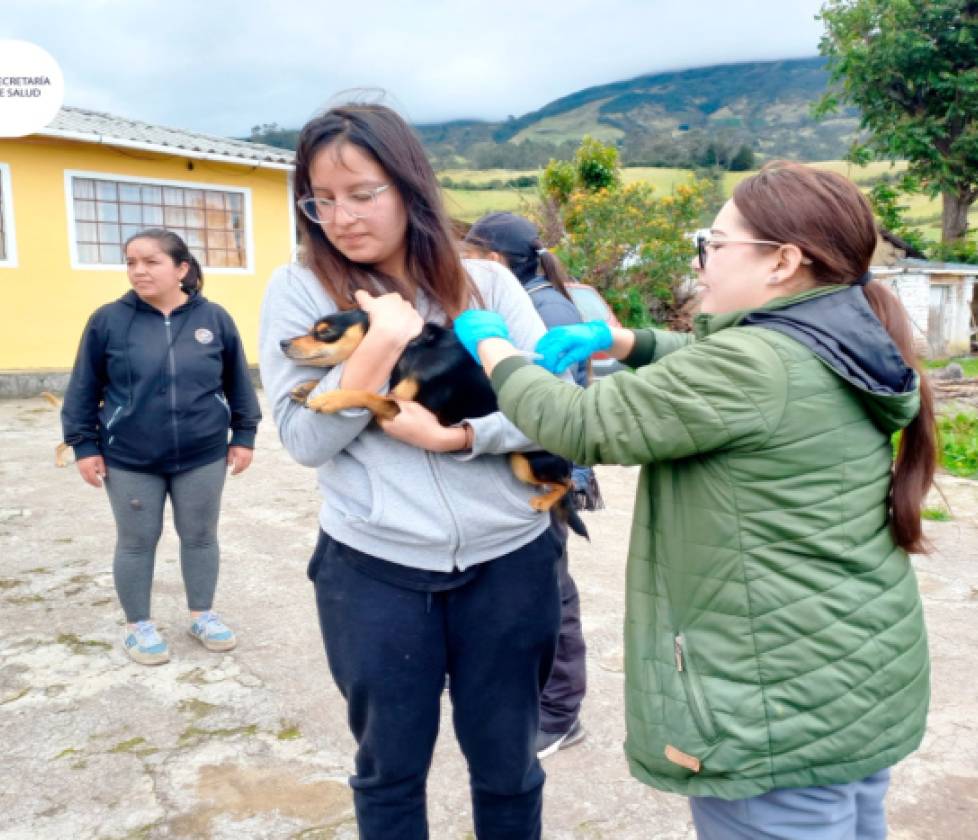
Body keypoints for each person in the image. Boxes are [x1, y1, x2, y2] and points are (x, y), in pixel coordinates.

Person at [453, 162, 936, 839]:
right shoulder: (841, 333)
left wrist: (497, 351)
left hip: (772, 704)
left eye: (714, 242)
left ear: (782, 262)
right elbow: (738, 372)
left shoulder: (756, 363)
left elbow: (582, 423)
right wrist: (629, 341)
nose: (703, 258)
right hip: (845, 679)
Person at [258, 103, 564, 840]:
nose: (342, 217)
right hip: (372, 569)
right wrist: (381, 342)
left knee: (508, 768)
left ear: (409, 188)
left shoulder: (488, 288)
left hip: (507, 564)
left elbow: (556, 409)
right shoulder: (298, 292)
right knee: (389, 772)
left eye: (362, 193)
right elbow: (302, 440)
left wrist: (462, 438)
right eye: (321, 199)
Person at [61, 229, 261, 666]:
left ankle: (202, 615)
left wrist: (244, 435)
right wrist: (83, 445)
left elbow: (237, 382)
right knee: (136, 540)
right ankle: (138, 627)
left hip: (202, 452)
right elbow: (83, 387)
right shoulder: (108, 320)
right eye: (131, 262)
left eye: (150, 262)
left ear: (181, 268)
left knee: (201, 535)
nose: (138, 271)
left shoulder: (214, 319)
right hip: (130, 456)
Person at [462, 212, 596, 759]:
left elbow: (558, 400)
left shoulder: (540, 307)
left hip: (553, 461)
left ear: (493, 260)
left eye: (469, 253)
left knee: (553, 595)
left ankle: (562, 714)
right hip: (532, 458)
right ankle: (536, 695)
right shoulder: (527, 297)